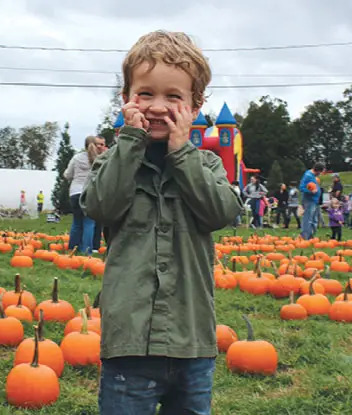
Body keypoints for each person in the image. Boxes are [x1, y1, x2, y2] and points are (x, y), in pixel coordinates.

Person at [80, 30, 242, 415]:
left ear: (195, 105)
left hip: (192, 340)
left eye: (173, 96)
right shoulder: (113, 162)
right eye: (145, 94)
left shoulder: (207, 164)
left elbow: (222, 212)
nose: (157, 106)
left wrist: (183, 153)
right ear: (126, 99)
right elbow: (100, 205)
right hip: (129, 343)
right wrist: (131, 141)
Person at [64, 136, 98, 254]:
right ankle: (86, 250)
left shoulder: (76, 158)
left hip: (75, 192)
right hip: (90, 192)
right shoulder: (98, 160)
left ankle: (72, 248)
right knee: (89, 222)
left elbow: (67, 175)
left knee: (77, 222)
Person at [299, 162, 325, 240]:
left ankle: (311, 236)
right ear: (317, 170)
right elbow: (301, 187)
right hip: (309, 200)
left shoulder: (313, 176)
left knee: (314, 219)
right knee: (308, 219)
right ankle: (305, 236)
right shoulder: (308, 176)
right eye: (320, 172)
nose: (320, 174)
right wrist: (310, 191)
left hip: (315, 200)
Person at [91, 136, 108, 252]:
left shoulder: (110, 156)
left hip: (104, 192)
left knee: (100, 222)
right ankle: (87, 245)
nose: (99, 146)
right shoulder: (85, 157)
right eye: (97, 144)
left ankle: (96, 245)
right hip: (91, 191)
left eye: (102, 144)